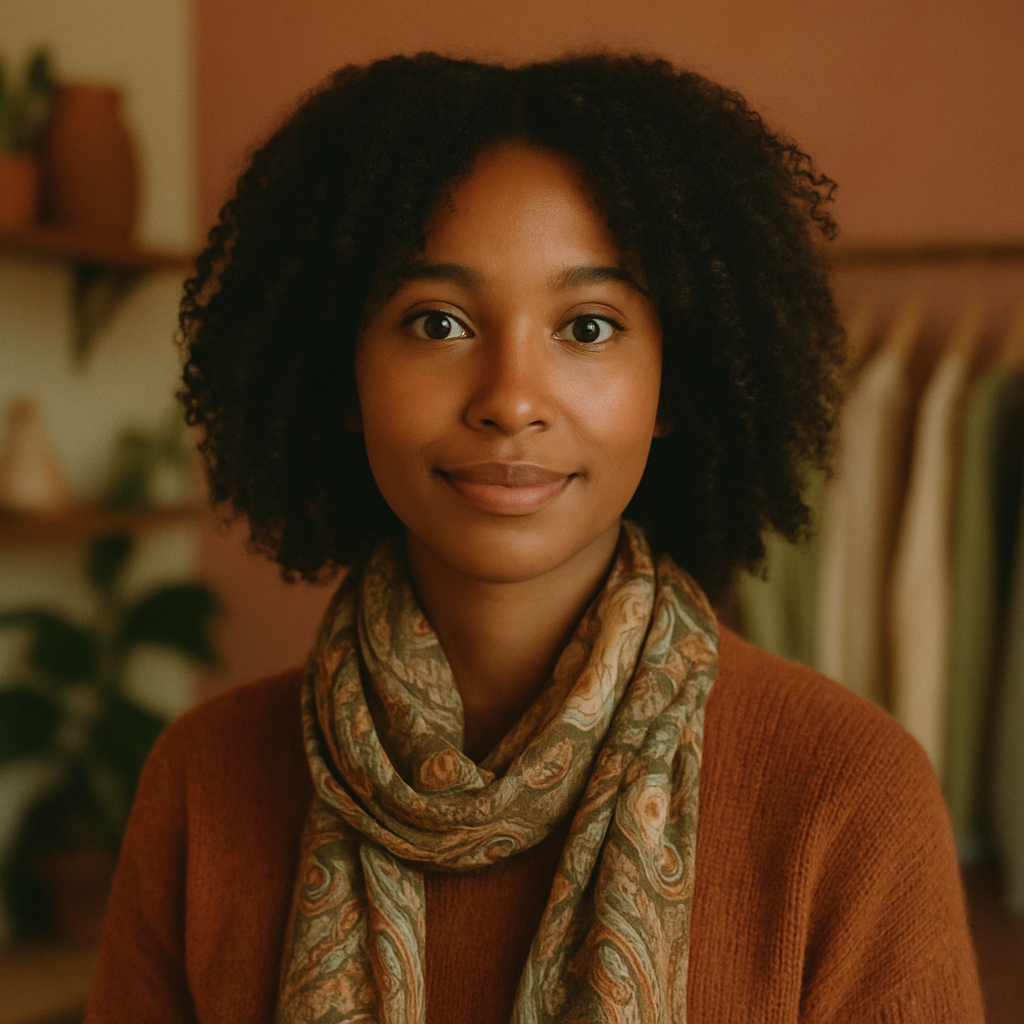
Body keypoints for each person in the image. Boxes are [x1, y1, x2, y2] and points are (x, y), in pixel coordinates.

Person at [84, 53, 984, 1023]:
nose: (511, 399)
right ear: (340, 373)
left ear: (671, 385)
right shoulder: (204, 781)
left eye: (588, 327)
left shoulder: (846, 797)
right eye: (436, 321)